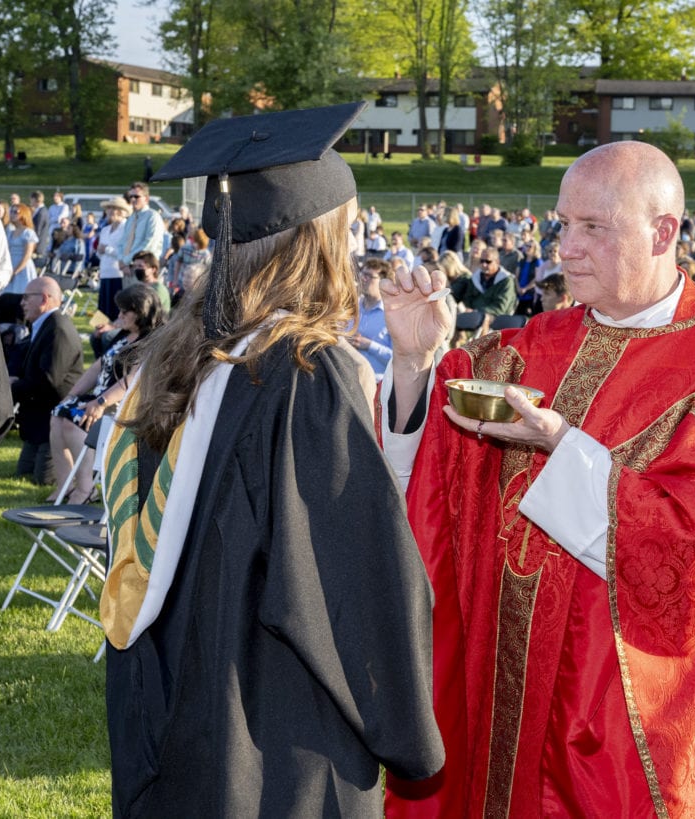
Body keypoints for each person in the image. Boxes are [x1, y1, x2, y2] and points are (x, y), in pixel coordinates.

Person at [380, 141, 695, 816]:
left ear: (664, 230)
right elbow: (436, 464)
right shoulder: (533, 344)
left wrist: (560, 446)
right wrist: (414, 362)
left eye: (593, 228)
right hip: (499, 678)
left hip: (609, 710)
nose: (565, 249)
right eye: (563, 225)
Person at [99, 103, 444, 817]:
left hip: (186, 724)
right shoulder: (305, 375)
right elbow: (355, 576)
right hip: (278, 745)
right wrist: (408, 723)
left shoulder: (177, 360)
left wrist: (410, 371)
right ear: (320, 241)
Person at [48, 284, 164, 502]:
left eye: (124, 311)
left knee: (73, 421)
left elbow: (132, 381)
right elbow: (96, 368)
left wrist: (100, 402)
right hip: (101, 397)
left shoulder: (151, 342)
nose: (119, 315)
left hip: (123, 404)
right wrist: (71, 395)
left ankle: (86, 488)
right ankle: (66, 484)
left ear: (141, 312)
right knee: (57, 414)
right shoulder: (124, 335)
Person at [9, 277, 84, 484]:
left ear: (43, 299)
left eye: (26, 298)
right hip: (38, 420)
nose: (22, 303)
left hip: (53, 420)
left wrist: (12, 387)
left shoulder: (57, 329)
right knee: (23, 474)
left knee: (43, 480)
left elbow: (48, 382)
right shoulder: (45, 325)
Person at [347, 258, 393, 378]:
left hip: (375, 385)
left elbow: (398, 359)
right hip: (346, 379)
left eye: (369, 276)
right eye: (362, 273)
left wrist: (369, 345)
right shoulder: (351, 306)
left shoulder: (392, 315)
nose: (363, 278)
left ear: (383, 282)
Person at [457, 246, 518, 333]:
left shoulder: (506, 280)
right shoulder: (476, 277)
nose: (484, 264)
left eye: (488, 261)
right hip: (475, 313)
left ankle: (482, 345)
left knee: (485, 319)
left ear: (497, 262)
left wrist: (478, 311)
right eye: (481, 261)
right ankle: (455, 343)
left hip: (497, 316)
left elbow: (501, 307)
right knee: (455, 315)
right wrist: (468, 309)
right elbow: (468, 298)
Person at [118, 181, 166, 279]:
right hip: (128, 270)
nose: (133, 199)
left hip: (145, 271)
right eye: (130, 197)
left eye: (136, 196)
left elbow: (149, 244)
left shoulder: (153, 217)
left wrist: (127, 260)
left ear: (146, 199)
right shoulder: (130, 219)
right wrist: (121, 261)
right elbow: (123, 242)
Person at [95, 196, 131, 320]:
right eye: (108, 208)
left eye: (112, 208)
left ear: (120, 211)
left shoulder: (126, 228)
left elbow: (125, 252)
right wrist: (100, 251)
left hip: (118, 273)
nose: (109, 211)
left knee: (116, 310)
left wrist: (107, 249)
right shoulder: (105, 230)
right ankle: (100, 334)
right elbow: (99, 253)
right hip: (105, 271)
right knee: (102, 309)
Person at [5, 202, 39, 296]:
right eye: (11, 211)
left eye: (16, 212)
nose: (12, 214)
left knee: (22, 294)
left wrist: (15, 272)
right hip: (11, 264)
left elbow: (27, 255)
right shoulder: (11, 232)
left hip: (23, 268)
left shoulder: (28, 232)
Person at [130, 251, 172, 316]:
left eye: (140, 266)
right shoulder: (139, 287)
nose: (137, 269)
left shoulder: (158, 289)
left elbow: (147, 311)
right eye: (135, 266)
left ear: (153, 269)